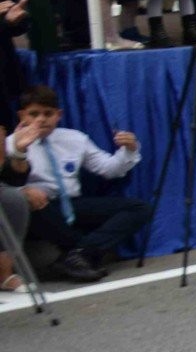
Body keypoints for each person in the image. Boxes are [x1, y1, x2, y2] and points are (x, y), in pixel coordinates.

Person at [4, 85, 147, 282]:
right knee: (31, 206)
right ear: (22, 116)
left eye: (48, 113)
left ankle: (78, 254)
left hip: (72, 204)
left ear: (59, 115)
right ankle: (83, 252)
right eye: (33, 114)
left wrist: (129, 150)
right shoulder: (10, 143)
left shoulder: (75, 138)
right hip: (40, 207)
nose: (41, 119)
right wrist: (22, 191)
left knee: (139, 208)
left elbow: (109, 169)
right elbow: (4, 185)